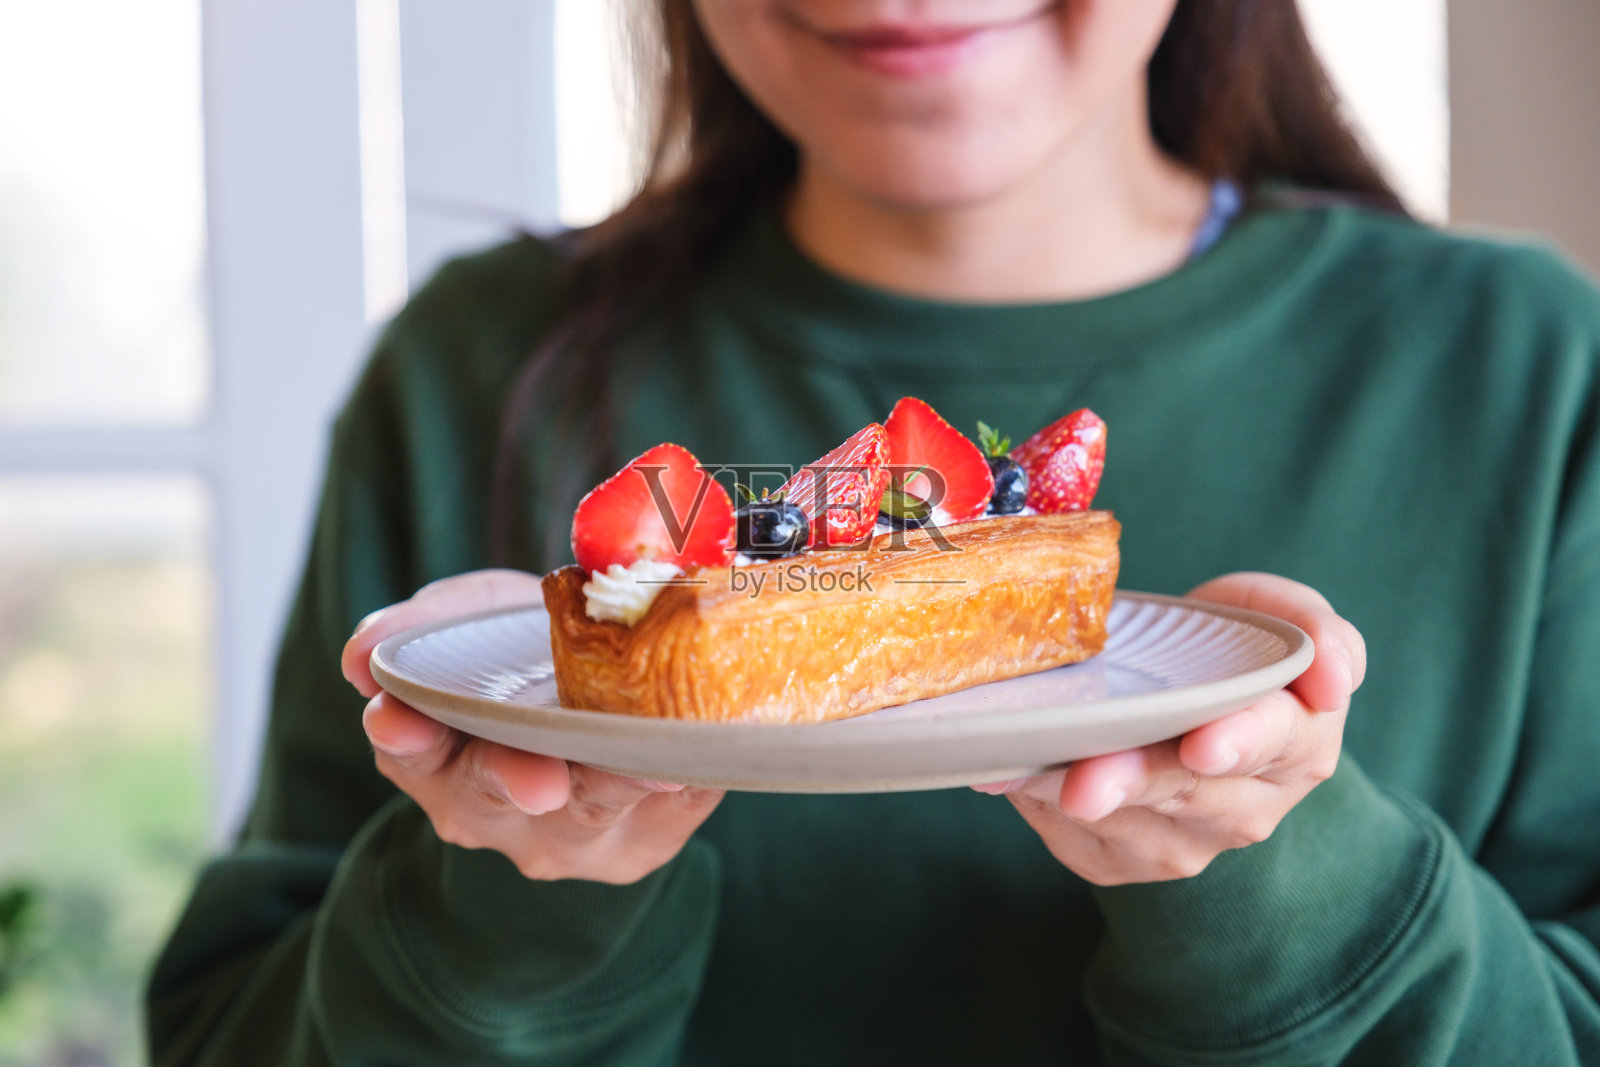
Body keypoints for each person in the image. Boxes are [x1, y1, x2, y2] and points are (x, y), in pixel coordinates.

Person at [147, 1, 1600, 1063]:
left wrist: (1292, 889)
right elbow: (223, 1036)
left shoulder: (1527, 370)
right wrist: (510, 896)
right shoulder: (473, 368)